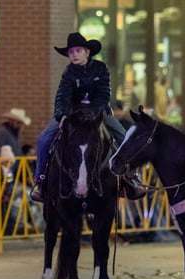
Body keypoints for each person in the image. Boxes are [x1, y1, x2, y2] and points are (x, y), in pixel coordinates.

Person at [30, 32, 145, 202]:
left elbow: (103, 95)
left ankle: (131, 178)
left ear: (87, 52)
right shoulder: (68, 73)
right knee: (43, 139)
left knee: (122, 135)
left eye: (78, 51)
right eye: (71, 52)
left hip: (99, 113)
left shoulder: (101, 69)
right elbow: (62, 97)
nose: (74, 55)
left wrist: (93, 111)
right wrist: (62, 115)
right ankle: (40, 181)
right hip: (72, 114)